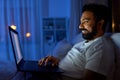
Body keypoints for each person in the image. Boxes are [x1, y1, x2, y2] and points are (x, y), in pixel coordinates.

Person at [38, 3, 115, 80]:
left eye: (85, 22)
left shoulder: (100, 47)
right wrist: (58, 61)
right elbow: (76, 65)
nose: (80, 26)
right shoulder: (85, 42)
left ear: (100, 24)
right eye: (81, 22)